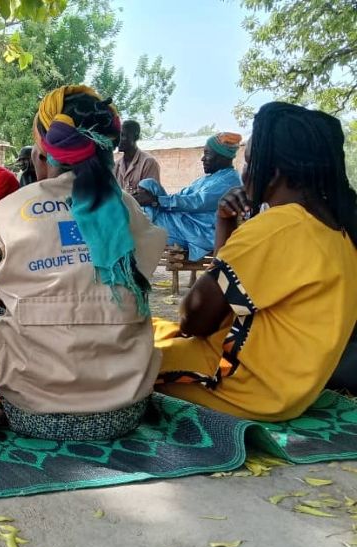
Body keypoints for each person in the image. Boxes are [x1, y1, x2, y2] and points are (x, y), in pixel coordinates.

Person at [0, 85, 167, 441]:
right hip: (126, 408)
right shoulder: (128, 208)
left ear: (43, 152)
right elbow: (141, 275)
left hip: (31, 412)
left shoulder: (8, 213)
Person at [153, 102, 357, 421]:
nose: (244, 174)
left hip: (237, 386)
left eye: (248, 163)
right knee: (154, 328)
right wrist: (225, 222)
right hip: (285, 394)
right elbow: (224, 289)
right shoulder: (336, 232)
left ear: (272, 172)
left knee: (123, 351)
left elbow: (195, 317)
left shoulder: (278, 226)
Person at [133, 132, 242, 261]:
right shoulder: (208, 178)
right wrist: (154, 201)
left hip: (198, 232)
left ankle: (140, 227)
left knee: (140, 218)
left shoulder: (229, 182)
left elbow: (196, 202)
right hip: (183, 221)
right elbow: (181, 197)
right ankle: (142, 224)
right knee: (148, 184)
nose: (203, 158)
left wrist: (156, 201)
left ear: (222, 156)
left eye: (207, 153)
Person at [114, 119, 160, 193]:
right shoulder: (116, 166)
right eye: (117, 136)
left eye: (123, 135)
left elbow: (150, 196)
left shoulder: (148, 162)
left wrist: (122, 200)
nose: (118, 140)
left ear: (136, 137)